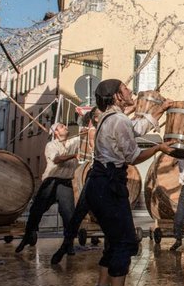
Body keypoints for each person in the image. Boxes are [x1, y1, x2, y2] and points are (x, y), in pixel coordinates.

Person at [84, 79, 170, 286]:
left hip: (99, 184)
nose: (130, 90)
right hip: (109, 185)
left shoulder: (111, 119)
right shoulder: (119, 120)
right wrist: (159, 148)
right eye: (125, 88)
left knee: (113, 240)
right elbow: (133, 156)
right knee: (124, 242)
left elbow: (136, 130)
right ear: (117, 96)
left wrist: (159, 110)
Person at [51, 99, 167, 265]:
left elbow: (127, 123)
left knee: (108, 218)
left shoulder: (110, 122)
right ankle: (65, 245)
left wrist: (155, 108)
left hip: (108, 174)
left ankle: (105, 253)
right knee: (79, 214)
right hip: (96, 174)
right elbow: (122, 122)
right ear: (97, 119)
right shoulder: (94, 130)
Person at [15, 123, 82, 254]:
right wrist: (73, 156)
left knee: (69, 214)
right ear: (56, 132)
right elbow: (57, 159)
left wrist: (89, 128)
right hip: (51, 181)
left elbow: (88, 134)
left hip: (65, 182)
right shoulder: (51, 145)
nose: (66, 127)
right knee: (37, 210)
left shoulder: (74, 142)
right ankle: (27, 236)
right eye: (62, 126)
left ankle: (68, 244)